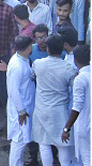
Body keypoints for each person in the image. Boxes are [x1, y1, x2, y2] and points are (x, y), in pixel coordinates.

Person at [33, 34, 78, 166]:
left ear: (48, 49)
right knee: (63, 145)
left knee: (44, 144)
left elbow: (33, 76)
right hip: (60, 111)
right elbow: (74, 90)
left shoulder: (38, 64)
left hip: (41, 109)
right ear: (62, 48)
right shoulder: (69, 68)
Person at [6, 34, 35, 166]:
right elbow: (14, 91)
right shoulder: (17, 66)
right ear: (29, 47)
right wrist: (21, 111)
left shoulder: (22, 60)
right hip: (20, 110)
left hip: (26, 107)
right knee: (19, 141)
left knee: (22, 141)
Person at [62, 44, 90, 166]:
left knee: (87, 158)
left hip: (85, 125)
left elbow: (77, 106)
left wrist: (66, 128)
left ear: (75, 60)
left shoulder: (80, 79)